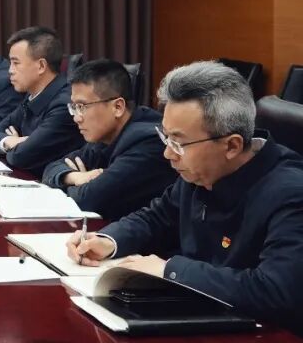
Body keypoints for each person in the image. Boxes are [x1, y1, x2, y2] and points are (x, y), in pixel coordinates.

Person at [68, 61, 303, 335]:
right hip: (200, 318)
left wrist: (171, 271)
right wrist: (108, 240)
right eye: (166, 138)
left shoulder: (291, 192)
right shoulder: (201, 170)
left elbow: (275, 291)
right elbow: (157, 217)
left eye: (178, 143)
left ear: (232, 145)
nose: (168, 153)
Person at [41, 59, 176, 220]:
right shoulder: (104, 135)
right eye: (74, 107)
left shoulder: (149, 143)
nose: (76, 117)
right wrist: (75, 177)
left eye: (82, 107)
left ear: (118, 107)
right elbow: (50, 169)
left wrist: (82, 188)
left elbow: (88, 200)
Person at [0, 26, 82, 177]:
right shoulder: (33, 96)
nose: (10, 70)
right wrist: (9, 142)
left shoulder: (64, 105)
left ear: (41, 66)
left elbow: (22, 157)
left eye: (16, 63)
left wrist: (17, 146)